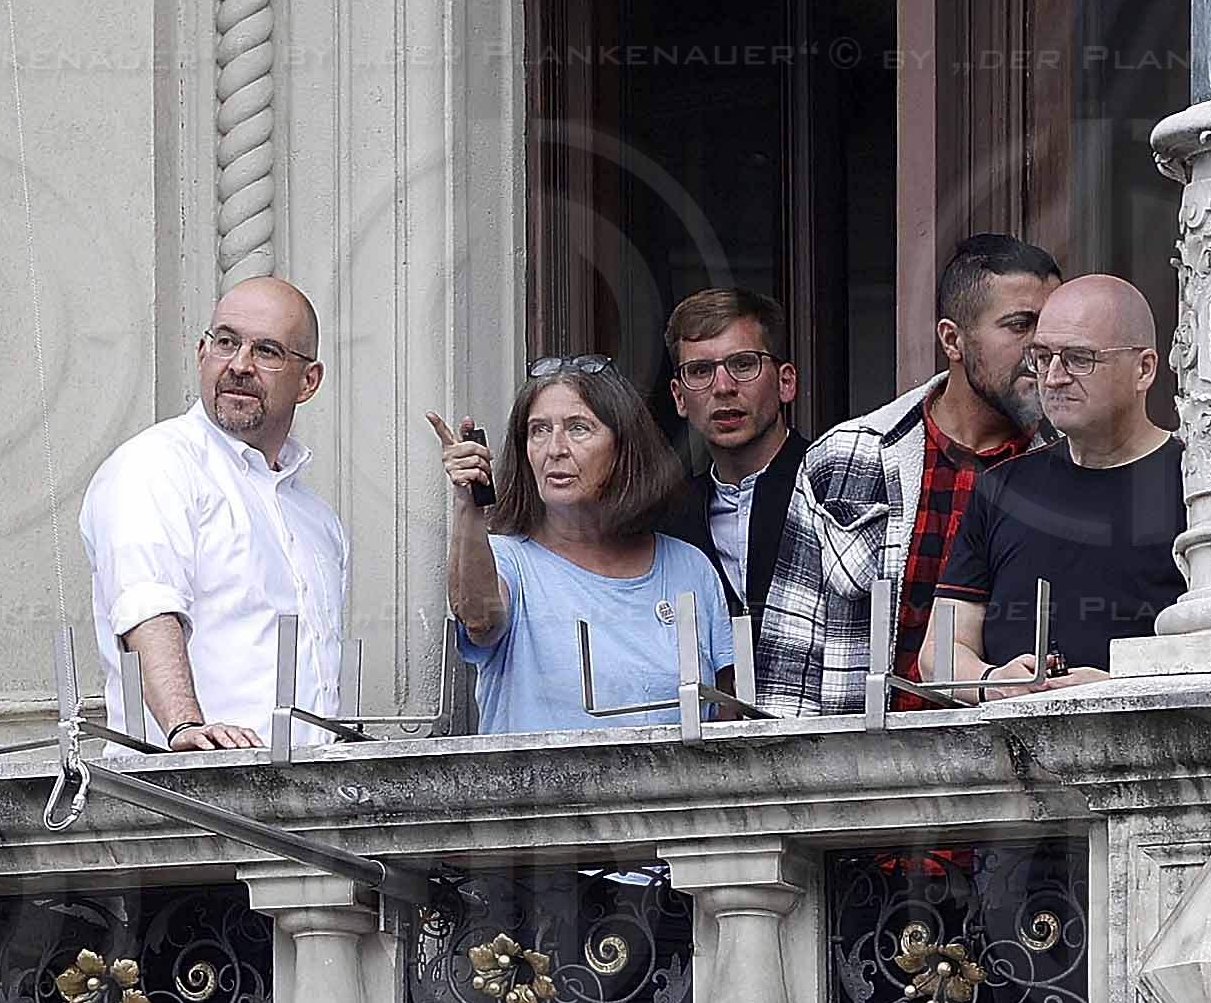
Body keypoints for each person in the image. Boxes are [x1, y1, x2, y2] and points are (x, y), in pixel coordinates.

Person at [755, 233, 1059, 713]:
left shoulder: (1070, 462)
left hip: (1016, 751)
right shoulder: (847, 457)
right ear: (952, 340)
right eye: (1020, 325)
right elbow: (790, 665)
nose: (1041, 346)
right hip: (869, 755)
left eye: (1051, 325)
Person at [80, 277, 350, 751]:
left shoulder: (317, 520)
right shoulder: (156, 464)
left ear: (308, 381)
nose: (240, 365)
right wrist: (185, 728)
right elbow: (146, 607)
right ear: (201, 352)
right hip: (186, 784)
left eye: (267, 351)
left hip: (303, 789)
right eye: (226, 342)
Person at [430, 359, 733, 735]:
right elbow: (479, 619)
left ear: (623, 446)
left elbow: (727, 719)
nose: (555, 449)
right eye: (539, 430)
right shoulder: (507, 559)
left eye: (578, 428)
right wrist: (467, 503)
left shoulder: (689, 567)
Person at [929, 274, 1187, 693]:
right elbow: (939, 654)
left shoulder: (1197, 487)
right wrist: (994, 681)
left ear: (1143, 370)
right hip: (1012, 733)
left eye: (1079, 358)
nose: (1053, 377)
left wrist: (1121, 687)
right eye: (1042, 357)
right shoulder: (1000, 489)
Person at [652, 285, 808, 630]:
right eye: (700, 370)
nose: (723, 387)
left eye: (743, 364)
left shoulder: (830, 489)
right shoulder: (669, 518)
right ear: (679, 398)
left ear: (785, 383)